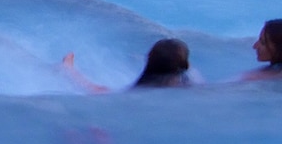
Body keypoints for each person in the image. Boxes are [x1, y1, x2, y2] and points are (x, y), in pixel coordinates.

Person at [61, 38, 191, 92]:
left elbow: (98, 93)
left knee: (100, 91)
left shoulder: (142, 90)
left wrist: (69, 70)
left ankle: (67, 69)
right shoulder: (186, 84)